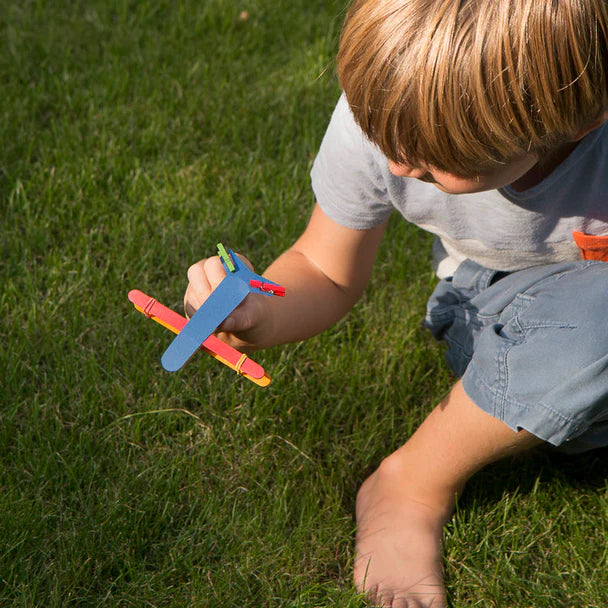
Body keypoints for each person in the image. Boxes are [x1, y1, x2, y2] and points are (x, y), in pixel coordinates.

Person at [184, 0, 608, 605]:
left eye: (438, 163)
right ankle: (410, 484)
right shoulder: (386, 120)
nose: (398, 163)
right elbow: (326, 269)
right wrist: (259, 311)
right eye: (380, 134)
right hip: (498, 319)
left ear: (579, 123)